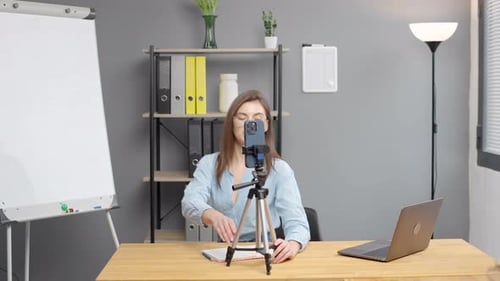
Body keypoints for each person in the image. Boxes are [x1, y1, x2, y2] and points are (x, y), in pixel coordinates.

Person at [181, 89, 310, 263]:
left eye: (257, 119)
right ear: (231, 123)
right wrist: (211, 214)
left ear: (266, 125)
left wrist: (293, 244)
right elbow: (189, 202)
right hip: (224, 253)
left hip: (265, 253)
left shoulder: (279, 169)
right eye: (242, 118)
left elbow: (298, 223)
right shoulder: (209, 163)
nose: (249, 124)